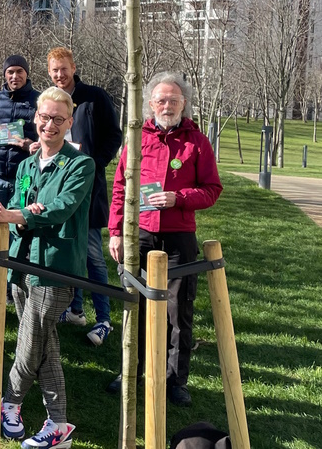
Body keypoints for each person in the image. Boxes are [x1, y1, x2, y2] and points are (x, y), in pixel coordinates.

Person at [0, 87, 94, 448]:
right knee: (45, 343)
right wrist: (10, 215)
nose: (50, 125)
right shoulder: (27, 164)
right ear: (35, 118)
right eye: (45, 117)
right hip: (21, 262)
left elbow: (61, 207)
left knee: (31, 342)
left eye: (58, 119)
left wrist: (19, 215)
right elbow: (19, 202)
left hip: (55, 266)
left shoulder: (80, 164)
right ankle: (58, 424)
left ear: (69, 122)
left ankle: (9, 401)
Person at [107, 72, 222, 407]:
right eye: (161, 100)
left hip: (178, 238)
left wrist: (179, 198)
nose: (167, 106)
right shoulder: (136, 138)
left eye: (174, 100)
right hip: (140, 235)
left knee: (177, 312)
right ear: (150, 104)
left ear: (184, 103)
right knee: (135, 307)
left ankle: (175, 380)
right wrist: (116, 232)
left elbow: (212, 190)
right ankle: (131, 372)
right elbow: (120, 188)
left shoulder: (197, 142)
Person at [46, 47, 122, 346]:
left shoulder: (94, 97)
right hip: (58, 187)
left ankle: (104, 319)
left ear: (74, 67)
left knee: (92, 255)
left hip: (89, 187)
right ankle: (75, 310)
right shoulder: (51, 100)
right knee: (68, 250)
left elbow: (113, 135)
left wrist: (95, 163)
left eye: (64, 68)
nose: (60, 74)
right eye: (54, 70)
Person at [0, 55, 41, 291]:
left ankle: (11, 288)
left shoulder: (38, 101)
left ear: (27, 73)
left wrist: (32, 145)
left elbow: (47, 134)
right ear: (4, 74)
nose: (15, 76)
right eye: (10, 72)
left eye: (19, 71)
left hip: (25, 180)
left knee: (18, 234)